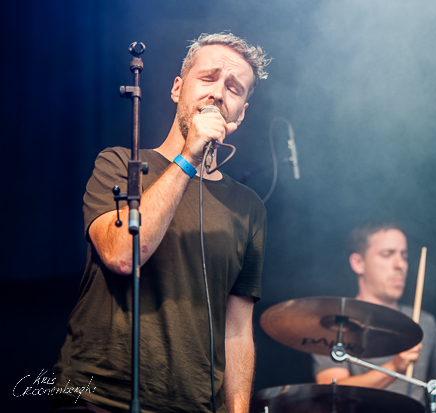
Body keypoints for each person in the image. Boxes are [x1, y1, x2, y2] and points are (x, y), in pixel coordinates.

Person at [50, 32, 271, 413]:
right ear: (177, 88)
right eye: (208, 78)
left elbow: (237, 330)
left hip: (193, 406)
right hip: (98, 398)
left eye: (233, 88)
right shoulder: (119, 164)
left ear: (241, 113)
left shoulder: (248, 207)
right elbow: (123, 254)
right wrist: (189, 158)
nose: (218, 93)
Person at [313, 221, 436, 412]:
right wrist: (394, 368)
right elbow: (333, 392)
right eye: (388, 254)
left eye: (404, 255)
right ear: (358, 263)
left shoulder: (424, 322)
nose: (400, 264)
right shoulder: (334, 323)